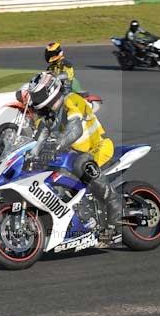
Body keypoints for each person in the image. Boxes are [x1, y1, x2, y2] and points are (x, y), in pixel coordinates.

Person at [25, 71, 122, 227]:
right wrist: (30, 155)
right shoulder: (50, 115)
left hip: (97, 147)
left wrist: (56, 146)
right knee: (51, 174)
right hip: (73, 155)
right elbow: (39, 137)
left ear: (50, 90)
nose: (36, 100)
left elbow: (75, 128)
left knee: (82, 163)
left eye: (38, 95)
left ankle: (114, 203)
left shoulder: (71, 99)